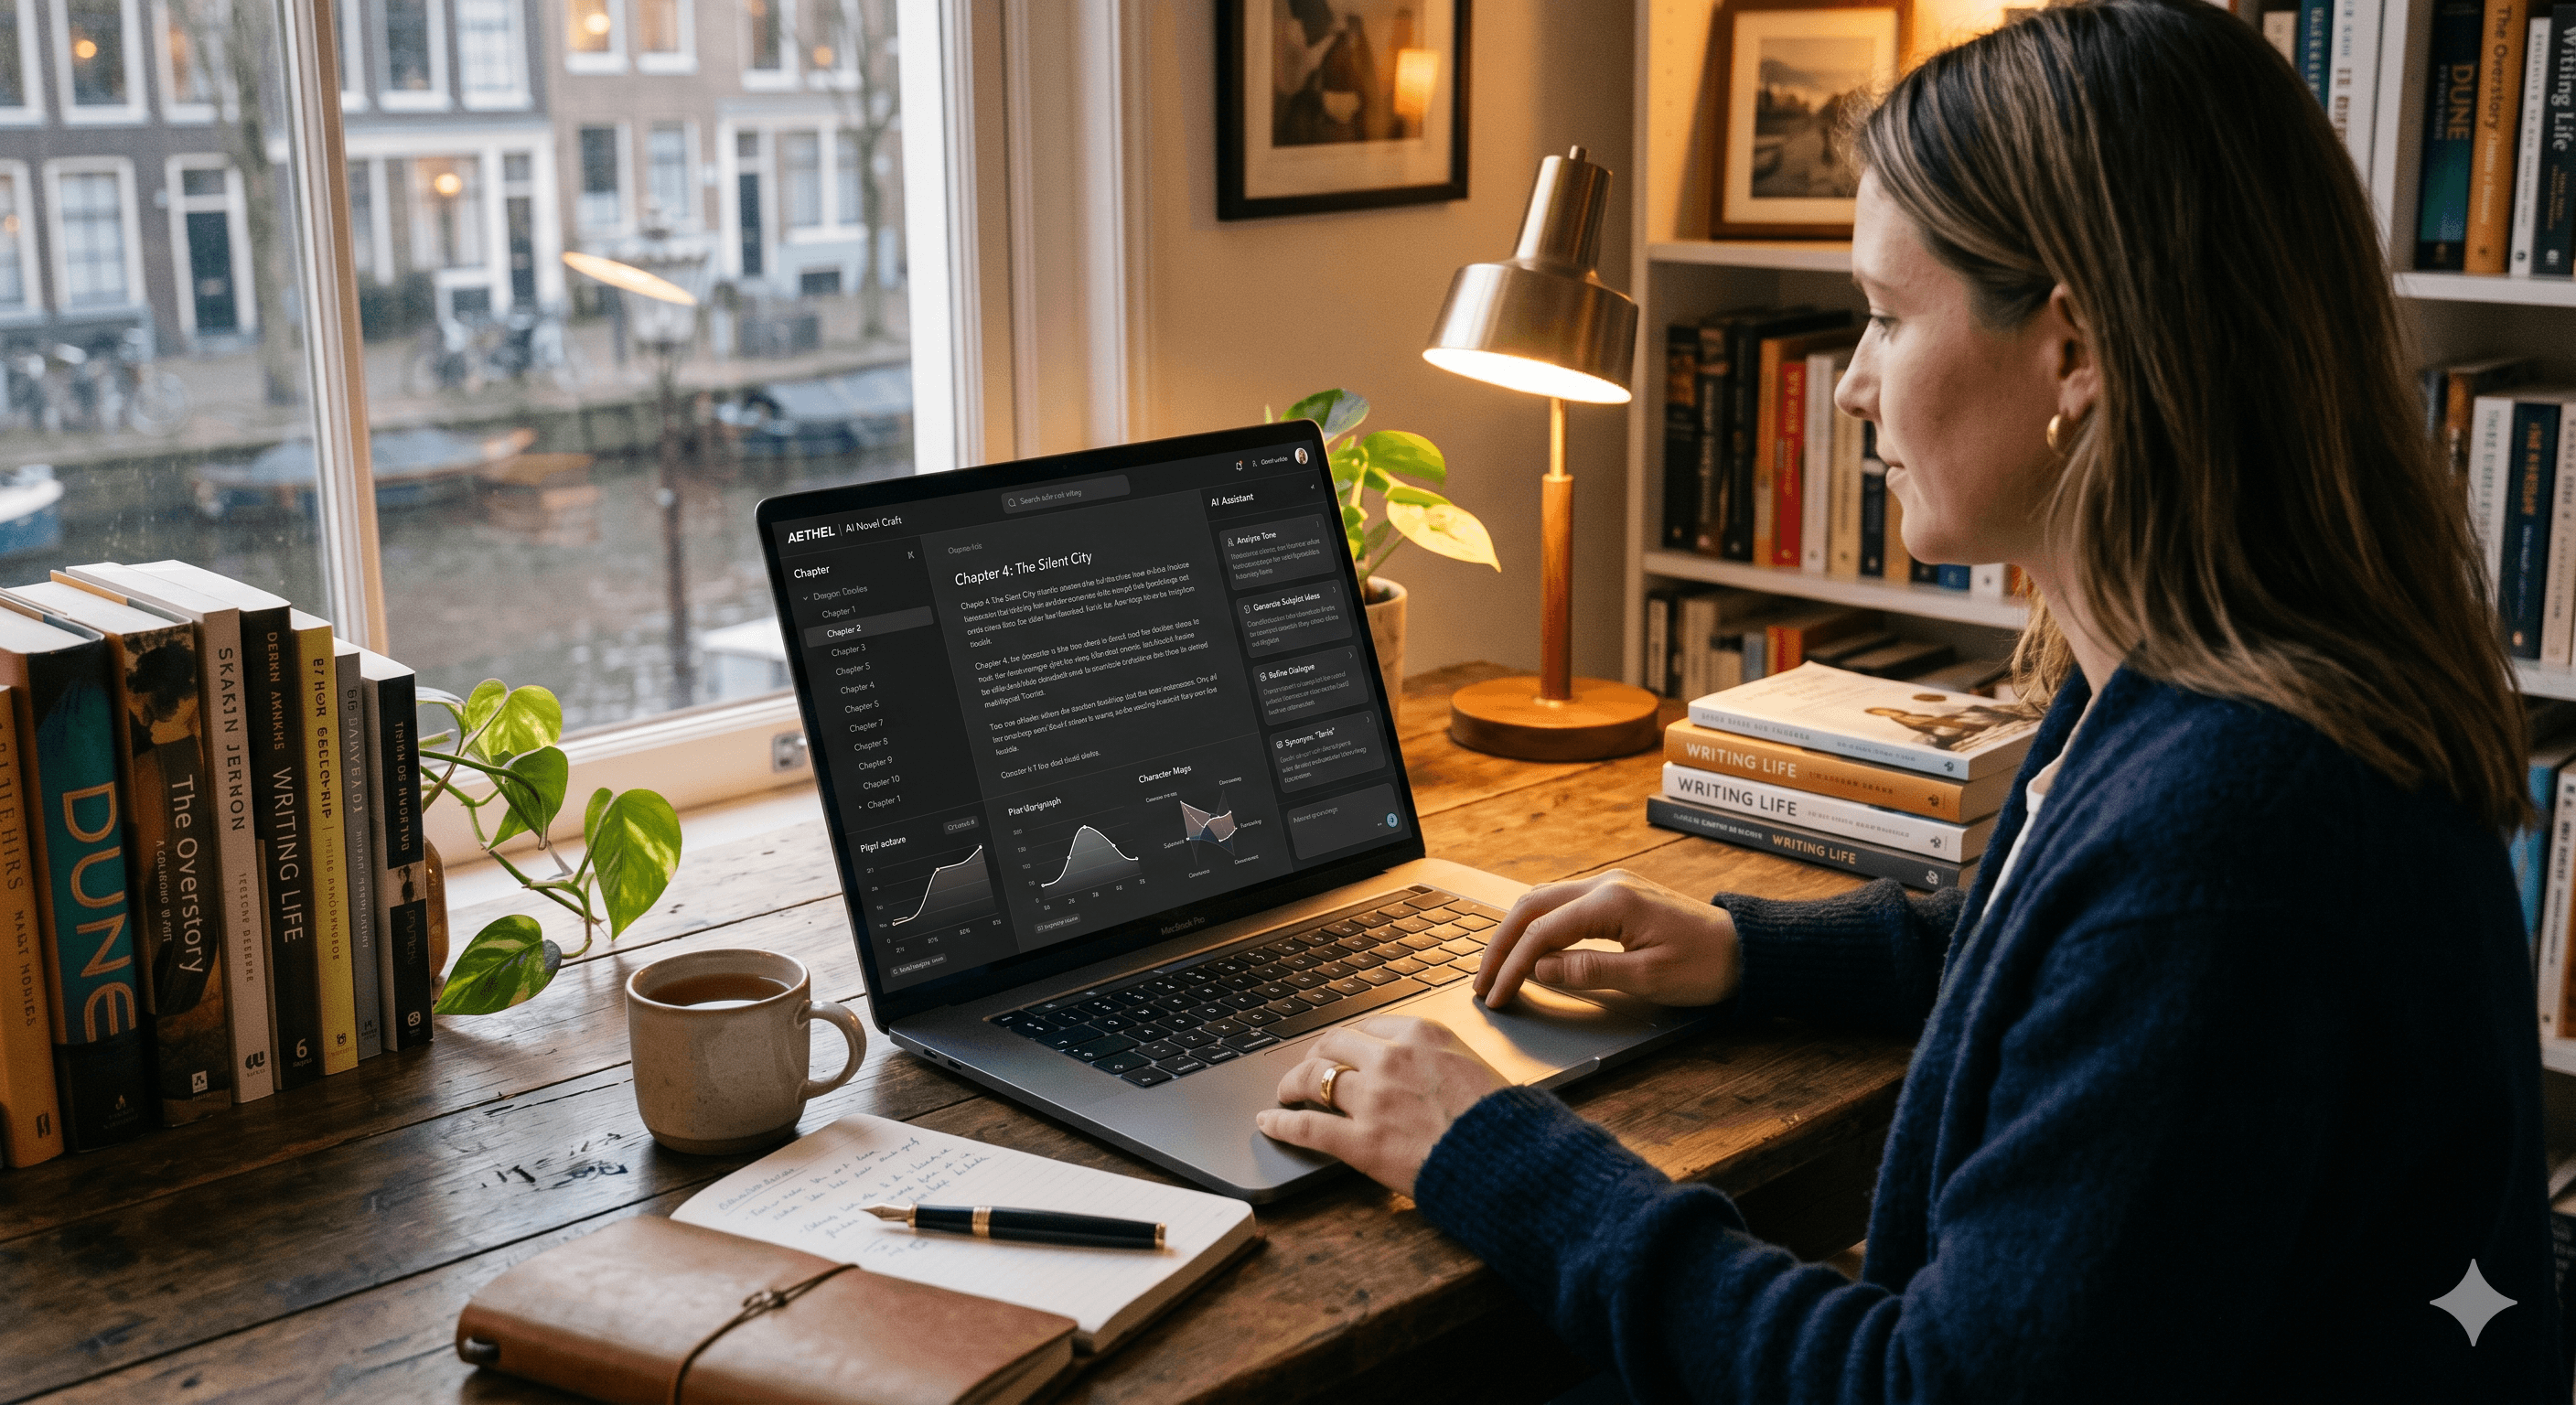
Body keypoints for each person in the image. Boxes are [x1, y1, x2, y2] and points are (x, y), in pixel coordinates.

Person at [1250, 0, 2571, 1396]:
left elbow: (1920, 1389)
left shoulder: (2229, 833)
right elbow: (2051, 962)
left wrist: (1485, 1149)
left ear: (2076, 349)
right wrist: (1748, 954)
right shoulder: (2191, 672)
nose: (1851, 392)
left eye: (1885, 317)